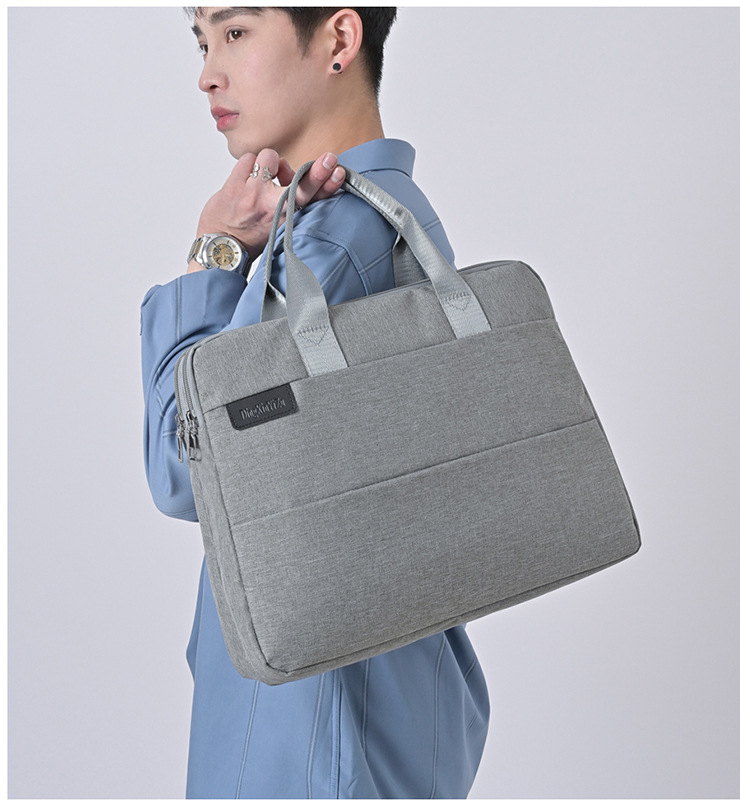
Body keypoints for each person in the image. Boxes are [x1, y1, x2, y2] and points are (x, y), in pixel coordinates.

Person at [140, 7, 489, 798]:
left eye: (235, 32)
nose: (208, 73)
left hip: (311, 734)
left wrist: (209, 255)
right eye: (201, 42)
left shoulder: (327, 249)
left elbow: (185, 467)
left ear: (337, 39)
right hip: (370, 709)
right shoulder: (387, 215)